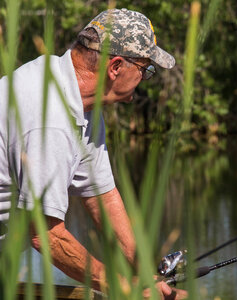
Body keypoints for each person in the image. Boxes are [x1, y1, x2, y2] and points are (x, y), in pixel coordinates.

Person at [0, 8, 185, 299]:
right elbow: (47, 236)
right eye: (146, 70)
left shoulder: (78, 98)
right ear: (116, 67)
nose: (145, 79)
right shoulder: (51, 118)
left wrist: (145, 272)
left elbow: (102, 196)